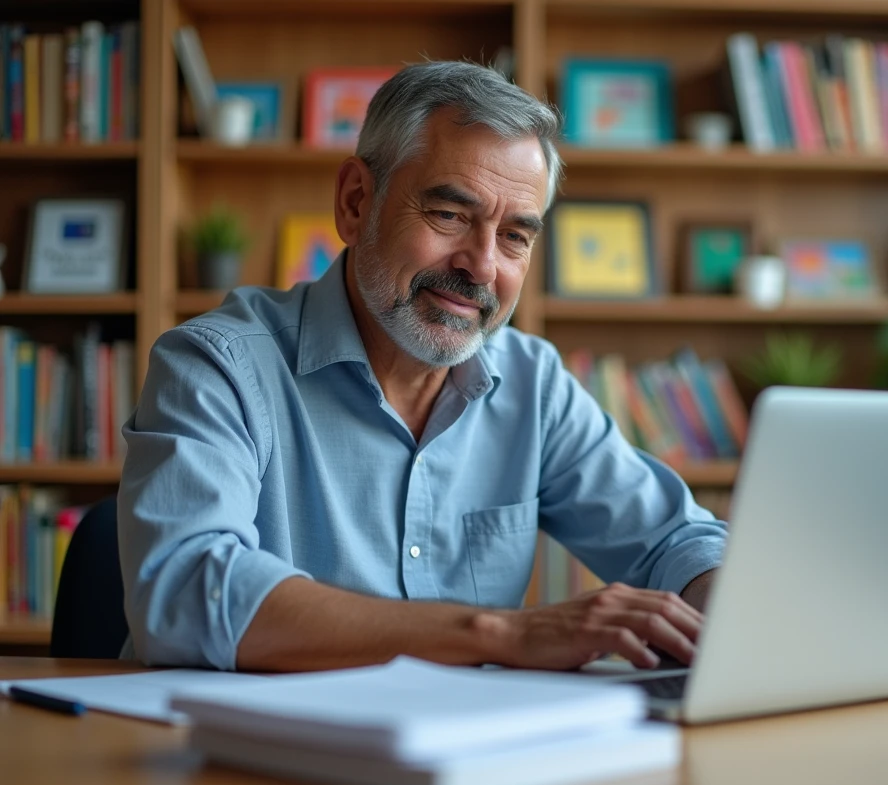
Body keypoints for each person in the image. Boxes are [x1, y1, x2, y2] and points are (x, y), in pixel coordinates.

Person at [117, 61, 727, 673]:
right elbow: (186, 593)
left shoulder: (532, 383)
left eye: (515, 236)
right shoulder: (217, 366)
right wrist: (498, 633)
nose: (483, 266)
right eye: (450, 215)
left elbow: (676, 540)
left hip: (466, 759)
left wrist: (722, 598)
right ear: (357, 203)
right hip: (251, 759)